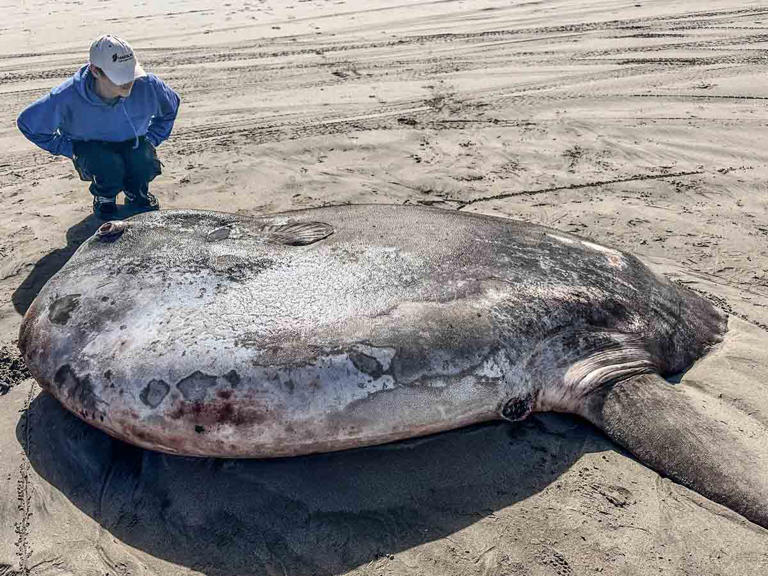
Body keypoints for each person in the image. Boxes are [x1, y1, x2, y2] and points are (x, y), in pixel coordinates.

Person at [16, 34, 180, 217]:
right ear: (95, 71)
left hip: (134, 142)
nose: (128, 82)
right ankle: (105, 198)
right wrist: (71, 149)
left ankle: (137, 193)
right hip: (92, 149)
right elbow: (29, 124)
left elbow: (171, 107)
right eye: (119, 76)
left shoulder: (148, 85)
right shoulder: (66, 96)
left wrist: (152, 139)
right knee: (107, 165)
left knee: (144, 160)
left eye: (130, 72)